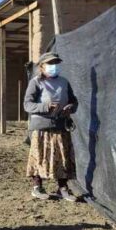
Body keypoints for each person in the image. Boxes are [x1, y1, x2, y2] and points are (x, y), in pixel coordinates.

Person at [24, 52, 79, 202]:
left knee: (62, 157)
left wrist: (71, 107)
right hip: (42, 127)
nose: (53, 67)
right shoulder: (36, 82)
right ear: (41, 66)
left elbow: (74, 101)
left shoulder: (64, 82)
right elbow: (27, 105)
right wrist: (45, 107)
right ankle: (37, 187)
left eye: (56, 63)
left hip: (60, 124)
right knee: (39, 156)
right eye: (50, 64)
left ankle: (63, 188)